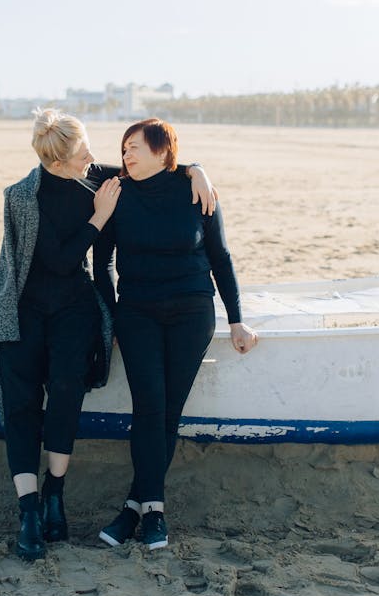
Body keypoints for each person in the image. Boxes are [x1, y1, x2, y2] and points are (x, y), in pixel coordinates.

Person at [0, 108, 215, 562]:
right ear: (61, 161)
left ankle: (55, 495)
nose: (94, 154)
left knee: (67, 392)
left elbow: (153, 168)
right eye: (83, 149)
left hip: (72, 309)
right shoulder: (22, 197)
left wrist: (195, 170)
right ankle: (28, 510)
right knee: (22, 403)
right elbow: (59, 259)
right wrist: (99, 218)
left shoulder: (94, 178)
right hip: (22, 309)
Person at [94, 117, 258, 551]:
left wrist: (236, 319)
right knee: (149, 407)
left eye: (135, 147)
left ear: (162, 151)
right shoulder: (115, 190)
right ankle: (154, 509)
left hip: (191, 312)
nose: (126, 153)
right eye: (123, 147)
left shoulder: (196, 191)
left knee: (167, 413)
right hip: (136, 314)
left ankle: (136, 507)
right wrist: (111, 316)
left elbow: (220, 257)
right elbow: (102, 264)